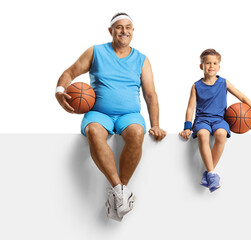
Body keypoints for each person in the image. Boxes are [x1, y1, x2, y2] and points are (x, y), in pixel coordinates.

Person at [55, 13, 166, 221]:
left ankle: (118, 195)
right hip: (99, 113)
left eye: (128, 27)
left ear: (133, 31)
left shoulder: (142, 59)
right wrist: (60, 91)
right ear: (110, 31)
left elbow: (151, 95)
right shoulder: (95, 52)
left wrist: (156, 125)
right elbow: (70, 72)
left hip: (129, 115)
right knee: (93, 131)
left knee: (137, 132)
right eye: (119, 27)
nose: (124, 31)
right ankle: (120, 191)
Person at [179, 49, 251, 192]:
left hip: (219, 119)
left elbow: (242, 97)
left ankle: (209, 173)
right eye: (208, 63)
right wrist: (187, 127)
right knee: (203, 134)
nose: (211, 66)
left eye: (215, 63)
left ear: (219, 67)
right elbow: (190, 108)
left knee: (221, 134)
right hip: (202, 120)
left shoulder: (223, 83)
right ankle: (212, 173)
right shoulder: (196, 86)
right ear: (201, 66)